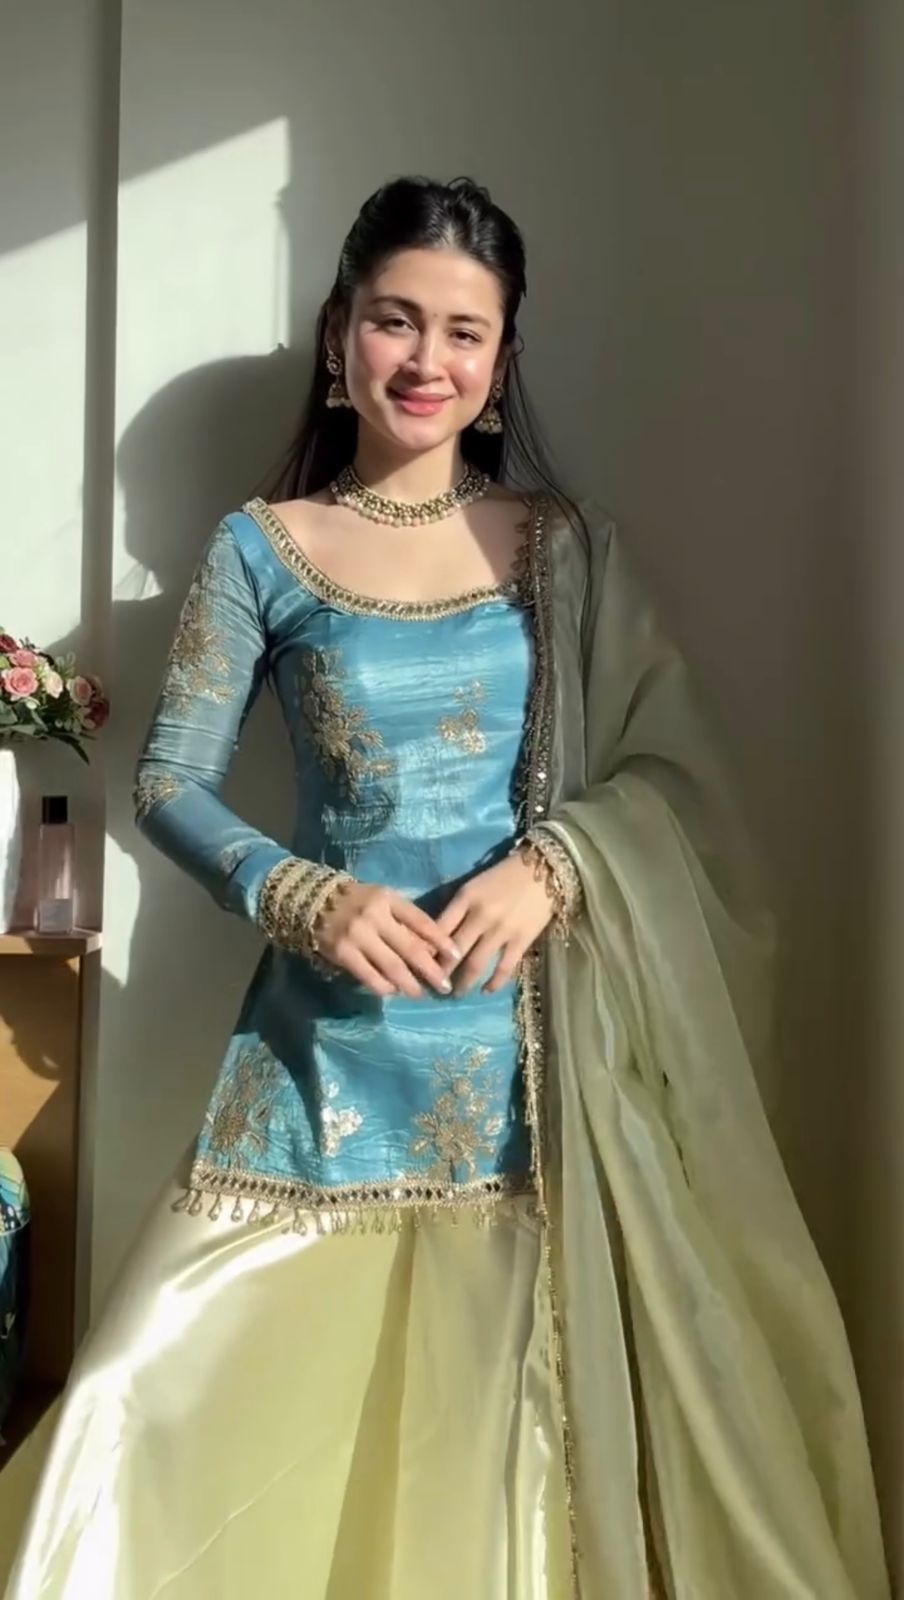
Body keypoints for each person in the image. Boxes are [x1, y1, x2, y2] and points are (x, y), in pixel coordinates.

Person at [6, 176, 889, 1600]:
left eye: (465, 332)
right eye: (395, 319)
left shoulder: (566, 550)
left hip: (537, 1071)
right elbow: (170, 781)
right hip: (319, 1055)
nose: (427, 359)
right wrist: (304, 896)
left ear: (502, 360)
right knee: (152, 1404)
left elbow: (675, 776)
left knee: (496, 1447)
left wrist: (558, 865)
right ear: (338, 332)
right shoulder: (261, 548)